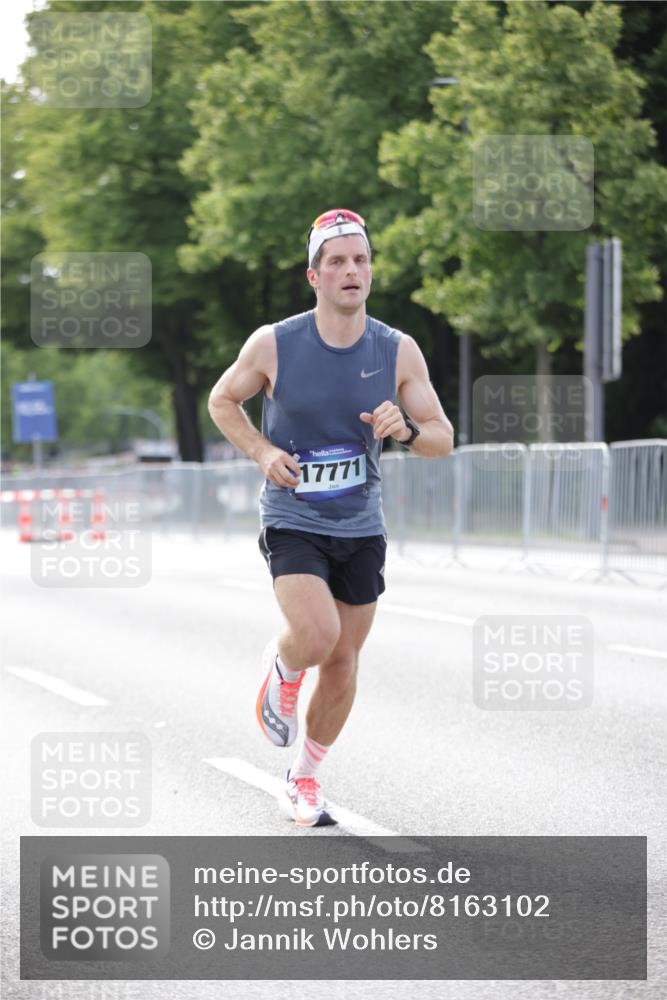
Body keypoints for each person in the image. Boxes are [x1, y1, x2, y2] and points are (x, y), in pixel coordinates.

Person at [208, 208, 454, 826]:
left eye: (361, 260)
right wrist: (263, 451)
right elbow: (221, 400)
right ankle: (285, 664)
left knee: (343, 659)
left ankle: (305, 777)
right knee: (316, 636)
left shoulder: (396, 350)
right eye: (338, 261)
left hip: (360, 525)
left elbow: (442, 438)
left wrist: (407, 430)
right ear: (314, 276)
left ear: (371, 271)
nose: (352, 271)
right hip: (293, 516)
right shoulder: (274, 343)